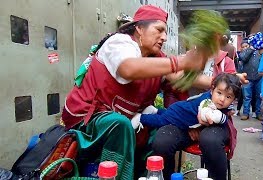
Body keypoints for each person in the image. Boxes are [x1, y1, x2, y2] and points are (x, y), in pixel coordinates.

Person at [60, 5, 212, 180]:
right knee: (119, 124)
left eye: (165, 32)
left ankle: (149, 175)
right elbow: (128, 69)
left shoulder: (156, 58)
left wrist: (220, 81)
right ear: (139, 28)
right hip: (88, 118)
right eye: (159, 30)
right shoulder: (119, 43)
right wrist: (181, 62)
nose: (164, 36)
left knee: (164, 124)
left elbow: (181, 77)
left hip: (125, 119)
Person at [131, 73, 241, 131]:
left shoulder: (216, 101)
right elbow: (210, 116)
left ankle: (155, 110)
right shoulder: (207, 103)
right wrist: (224, 118)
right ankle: (141, 118)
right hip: (180, 115)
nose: (222, 99)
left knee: (166, 114)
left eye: (228, 97)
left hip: (179, 108)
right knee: (162, 121)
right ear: (212, 90)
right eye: (219, 93)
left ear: (233, 99)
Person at [239, 32, 263, 121]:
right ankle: (246, 113)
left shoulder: (260, 50)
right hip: (248, 78)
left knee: (259, 96)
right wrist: (250, 48)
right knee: (247, 97)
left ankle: (258, 113)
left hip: (259, 77)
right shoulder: (246, 51)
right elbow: (243, 57)